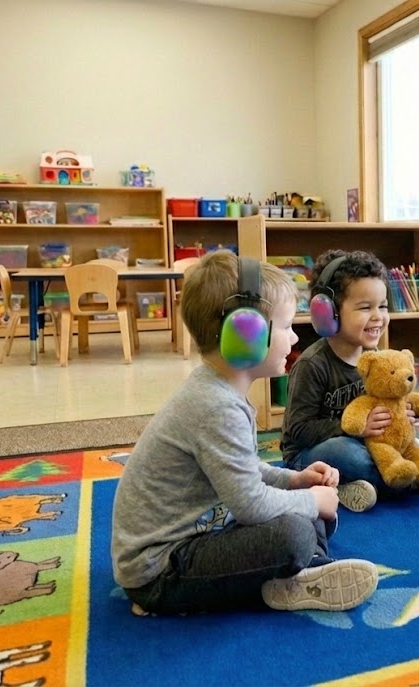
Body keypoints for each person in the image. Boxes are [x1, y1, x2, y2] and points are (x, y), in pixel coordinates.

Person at [111, 251, 378, 615]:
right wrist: (312, 501)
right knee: (294, 532)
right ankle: (304, 570)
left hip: (197, 535)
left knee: (301, 509)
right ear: (245, 333)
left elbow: (246, 469)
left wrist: (295, 479)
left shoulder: (219, 392)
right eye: (284, 327)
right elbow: (251, 505)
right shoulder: (216, 407)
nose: (294, 337)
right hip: (159, 573)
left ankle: (306, 568)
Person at [281, 249, 419, 513]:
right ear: (330, 312)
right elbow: (298, 432)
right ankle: (413, 480)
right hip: (310, 455)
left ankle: (397, 479)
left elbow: (390, 405)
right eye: (365, 307)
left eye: (382, 306)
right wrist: (355, 427)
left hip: (370, 445)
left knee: (416, 442)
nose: (378, 316)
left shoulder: (375, 359)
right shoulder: (313, 365)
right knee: (350, 456)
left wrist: (399, 416)